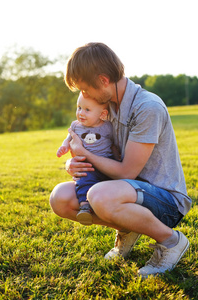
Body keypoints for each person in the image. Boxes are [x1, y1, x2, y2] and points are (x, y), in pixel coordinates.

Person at [50, 42, 192, 278]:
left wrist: (88, 156)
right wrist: (72, 163)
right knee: (61, 198)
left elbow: (127, 172)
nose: (84, 97)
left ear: (103, 80)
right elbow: (83, 142)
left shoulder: (147, 107)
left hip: (165, 200)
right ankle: (127, 225)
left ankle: (171, 241)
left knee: (98, 196)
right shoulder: (105, 107)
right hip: (123, 190)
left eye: (85, 90)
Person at [57, 92, 114, 226]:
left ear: (102, 114)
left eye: (87, 110)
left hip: (106, 162)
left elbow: (115, 143)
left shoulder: (107, 127)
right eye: (79, 107)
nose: (81, 113)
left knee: (108, 182)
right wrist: (64, 146)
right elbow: (69, 137)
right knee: (83, 180)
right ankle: (85, 207)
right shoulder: (76, 126)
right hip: (87, 166)